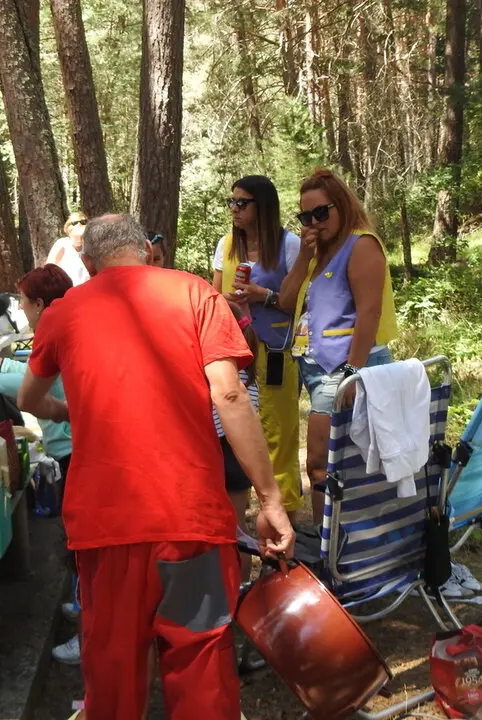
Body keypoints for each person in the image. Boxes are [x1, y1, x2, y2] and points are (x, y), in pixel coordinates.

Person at [17, 214, 294, 720]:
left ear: (87, 260)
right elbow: (229, 393)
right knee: (202, 665)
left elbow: (29, 397)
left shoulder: (63, 312)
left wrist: (70, 409)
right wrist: (271, 499)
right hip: (191, 521)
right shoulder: (195, 294)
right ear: (146, 248)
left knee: (114, 673)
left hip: (106, 526)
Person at [0, 265, 78, 664]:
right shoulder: (65, 327)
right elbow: (36, 372)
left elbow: (36, 387)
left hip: (77, 452)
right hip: (73, 450)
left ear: (40, 304)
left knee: (81, 544)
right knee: (77, 540)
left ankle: (91, 628)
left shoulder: (58, 332)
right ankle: (84, 606)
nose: (21, 308)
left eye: (24, 302)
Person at [277, 168, 398, 524]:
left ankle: (330, 546)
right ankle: (333, 540)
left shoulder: (361, 245)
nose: (314, 222)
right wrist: (303, 256)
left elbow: (369, 312)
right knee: (335, 465)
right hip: (318, 371)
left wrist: (353, 372)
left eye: (321, 212)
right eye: (305, 215)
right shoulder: (317, 253)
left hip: (344, 369)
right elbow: (286, 300)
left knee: (320, 463)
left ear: (342, 206)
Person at [212, 175, 304, 520]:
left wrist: (263, 296)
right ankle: (242, 511)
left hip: (276, 351)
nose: (234, 209)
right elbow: (214, 296)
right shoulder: (226, 246)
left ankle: (285, 515)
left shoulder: (289, 245)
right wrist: (231, 300)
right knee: (234, 431)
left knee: (279, 435)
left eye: (242, 202)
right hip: (234, 353)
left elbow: (300, 302)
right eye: (231, 202)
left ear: (262, 206)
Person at [216, 301, 260, 575]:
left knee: (229, 531)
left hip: (224, 452)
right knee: (238, 526)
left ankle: (237, 591)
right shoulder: (248, 372)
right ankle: (242, 590)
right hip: (240, 455)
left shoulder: (224, 378)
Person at [46, 212, 90, 285]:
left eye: (82, 236)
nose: (79, 239)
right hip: (67, 290)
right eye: (76, 236)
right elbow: (49, 269)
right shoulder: (62, 244)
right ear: (69, 233)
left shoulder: (89, 247)